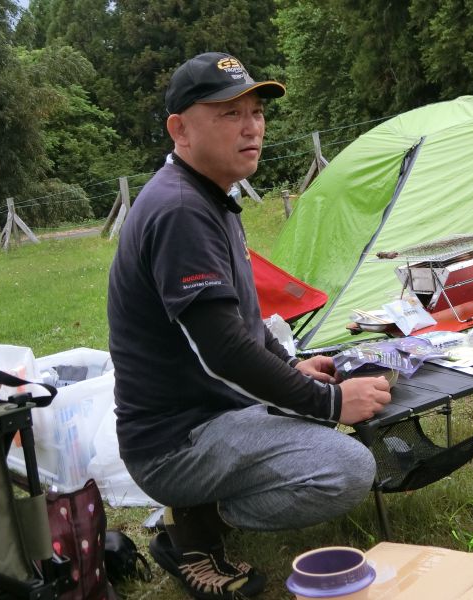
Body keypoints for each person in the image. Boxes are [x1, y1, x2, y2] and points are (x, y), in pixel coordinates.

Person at [107, 52, 391, 600]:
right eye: (229, 114)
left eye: (257, 112)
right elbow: (224, 352)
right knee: (347, 468)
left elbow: (244, 321)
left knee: (314, 416)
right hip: (176, 442)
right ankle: (196, 524)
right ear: (180, 129)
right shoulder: (180, 210)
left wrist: (291, 367)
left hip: (217, 412)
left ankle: (202, 507)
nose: (252, 127)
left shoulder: (210, 196)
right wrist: (330, 403)